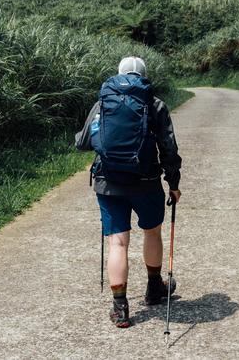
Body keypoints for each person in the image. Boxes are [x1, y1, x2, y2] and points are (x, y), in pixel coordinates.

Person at [75, 56, 182, 328]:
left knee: (118, 243)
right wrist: (173, 182)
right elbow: (168, 148)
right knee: (152, 232)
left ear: (118, 75)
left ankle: (120, 309)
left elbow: (84, 142)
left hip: (108, 182)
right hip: (146, 182)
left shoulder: (102, 104)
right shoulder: (155, 104)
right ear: (144, 76)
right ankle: (154, 289)